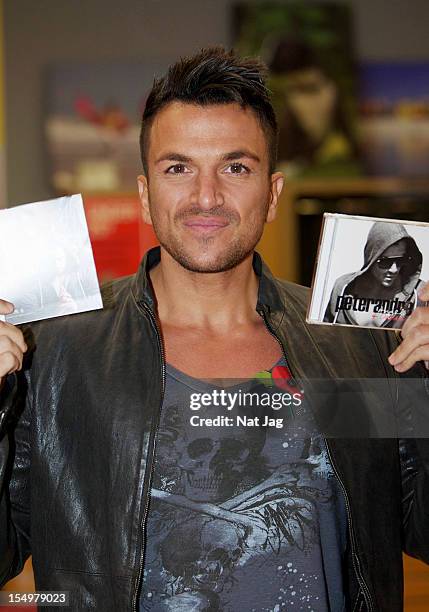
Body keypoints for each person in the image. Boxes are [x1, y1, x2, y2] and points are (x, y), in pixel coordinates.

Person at [0, 46, 428, 611]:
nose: (207, 197)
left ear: (271, 195)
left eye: (235, 167)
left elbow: (418, 526)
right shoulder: (56, 353)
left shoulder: (351, 346)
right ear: (146, 194)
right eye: (177, 168)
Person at [324, 221, 426, 328]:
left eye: (401, 260)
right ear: (371, 258)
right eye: (385, 262)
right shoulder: (343, 287)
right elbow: (326, 334)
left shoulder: (419, 293)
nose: (394, 270)